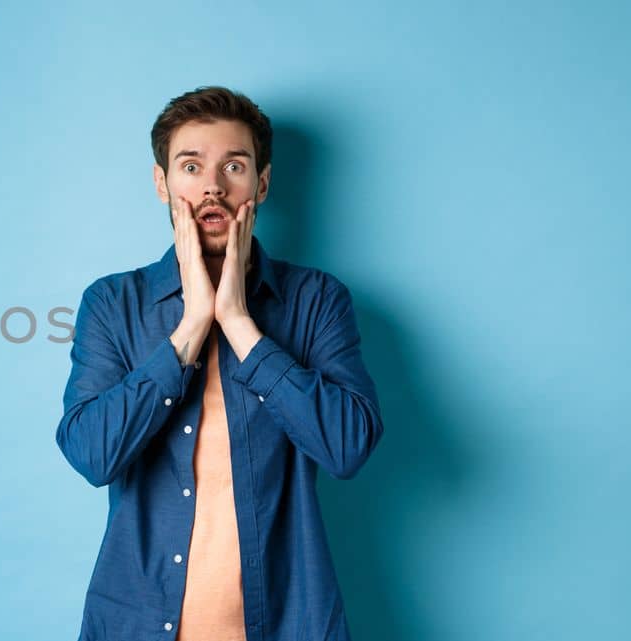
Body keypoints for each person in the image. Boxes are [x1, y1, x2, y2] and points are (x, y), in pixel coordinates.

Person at [55, 86, 384, 641]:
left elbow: (348, 447)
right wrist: (189, 330)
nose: (212, 185)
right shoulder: (113, 304)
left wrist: (238, 324)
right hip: (135, 624)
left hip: (286, 624)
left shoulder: (316, 300)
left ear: (263, 182)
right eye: (191, 166)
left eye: (234, 165)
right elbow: (92, 454)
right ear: (163, 184)